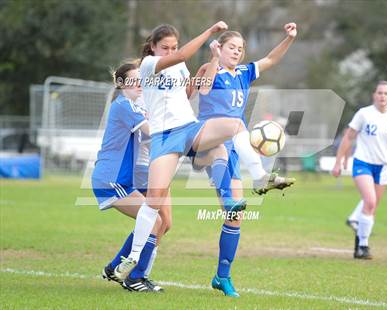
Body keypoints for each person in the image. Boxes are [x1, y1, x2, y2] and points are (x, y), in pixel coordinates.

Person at [115, 22, 293, 292]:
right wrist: (210, 39)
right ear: (152, 47)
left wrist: (289, 38)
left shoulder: (186, 68)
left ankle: (259, 178)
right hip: (165, 137)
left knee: (234, 127)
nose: (171, 51)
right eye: (166, 47)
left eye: (173, 46)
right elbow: (194, 71)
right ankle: (133, 257)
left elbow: (191, 90)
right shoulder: (150, 65)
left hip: (193, 130)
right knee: (153, 201)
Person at [194, 23, 297, 297]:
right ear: (220, 46)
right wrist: (214, 58)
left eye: (240, 49)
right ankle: (260, 176)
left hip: (236, 146)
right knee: (232, 204)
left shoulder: (243, 72)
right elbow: (202, 91)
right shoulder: (209, 68)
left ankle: (222, 277)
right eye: (232, 47)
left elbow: (272, 59)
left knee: (235, 216)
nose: (237, 52)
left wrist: (289, 38)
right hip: (210, 142)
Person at [91, 60, 163, 292]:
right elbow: (151, 131)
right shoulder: (124, 106)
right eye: (132, 80)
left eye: (140, 80)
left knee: (153, 221)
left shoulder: (133, 106)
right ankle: (135, 279)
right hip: (111, 180)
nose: (138, 84)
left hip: (117, 179)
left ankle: (115, 268)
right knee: (154, 220)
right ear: (121, 84)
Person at [332, 80, 387, 259]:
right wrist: (339, 162)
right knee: (370, 201)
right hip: (362, 163)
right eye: (379, 93)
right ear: (374, 95)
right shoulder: (364, 114)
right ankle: (364, 246)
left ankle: (358, 246)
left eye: (386, 93)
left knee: (371, 208)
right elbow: (348, 137)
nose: (382, 96)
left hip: (382, 166)